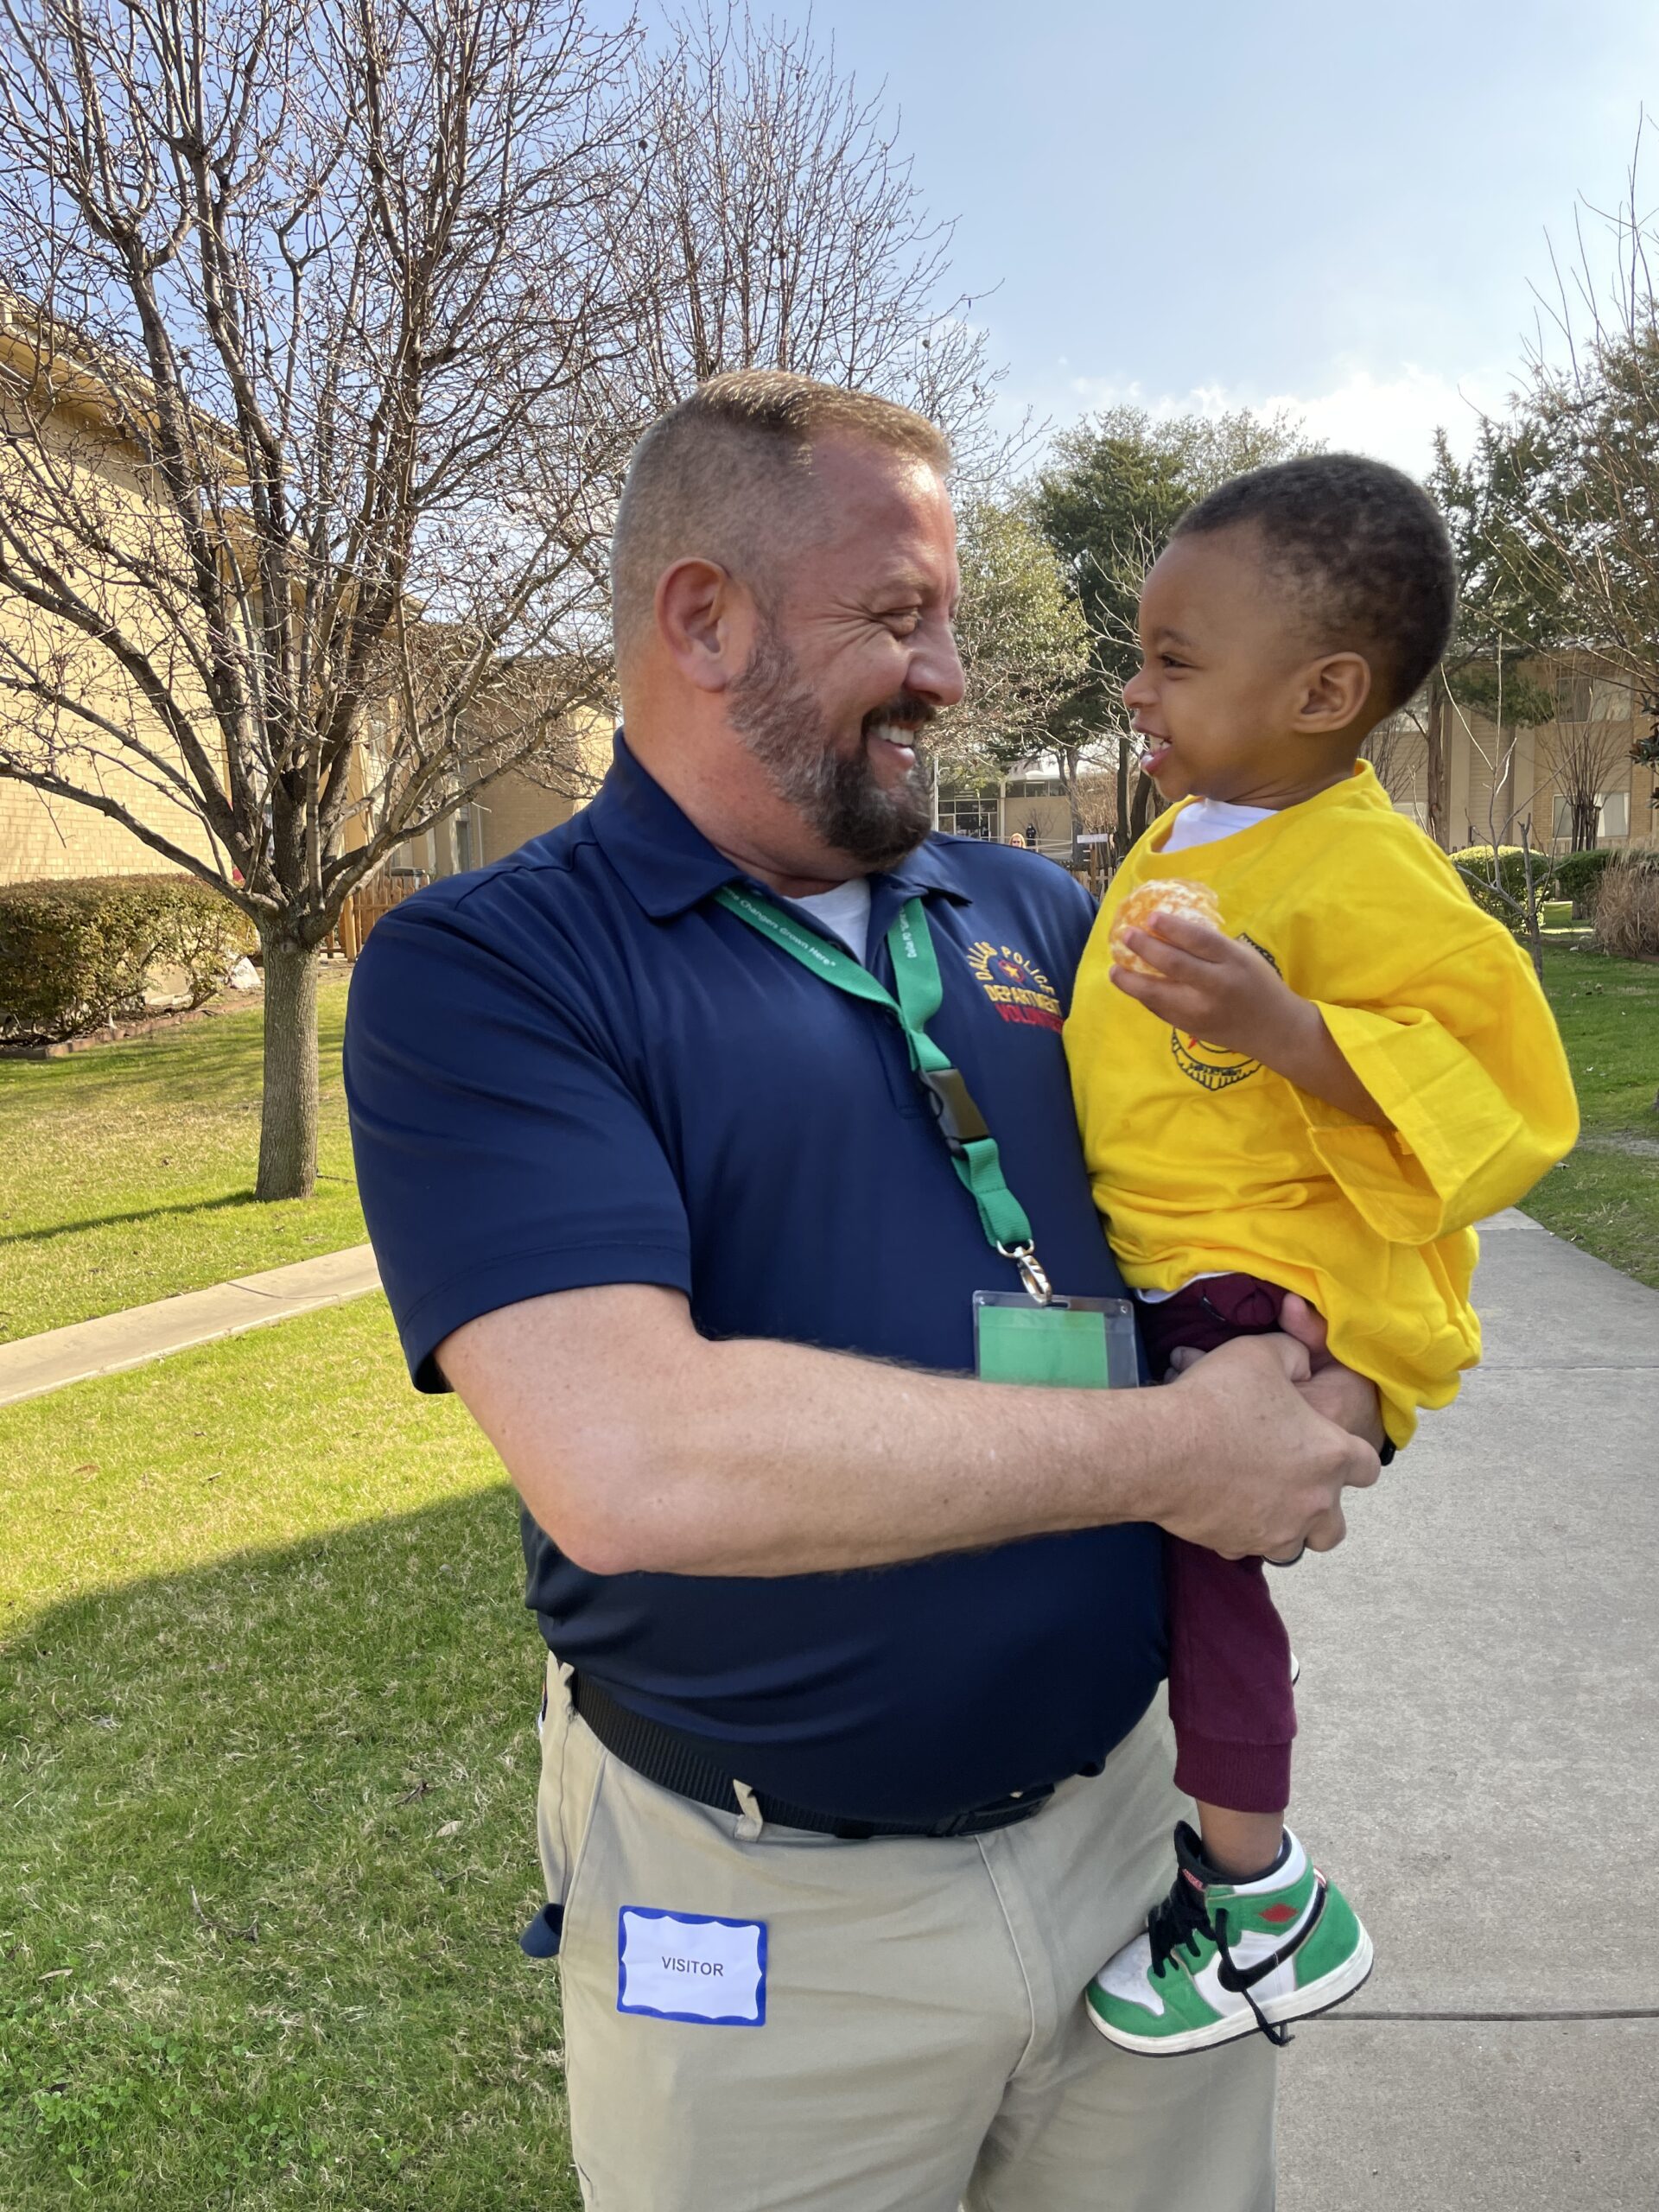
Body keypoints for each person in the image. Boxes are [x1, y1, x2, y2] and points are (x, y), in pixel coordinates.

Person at [343, 373, 1383, 2212]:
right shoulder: (494, 968)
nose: (955, 675)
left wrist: (1315, 1372)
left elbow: (1246, 1204)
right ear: (702, 615)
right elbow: (634, 1457)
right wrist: (1168, 1452)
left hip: (1134, 1855)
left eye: (951, 618)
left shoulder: (1041, 912)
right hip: (760, 1916)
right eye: (899, 616)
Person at [1065, 454, 1579, 2058]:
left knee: (1208, 1572)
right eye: (1139, 652)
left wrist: (1288, 1031)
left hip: (1258, 1291)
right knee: (1119, 1543)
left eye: (1172, 659)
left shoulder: (1369, 868)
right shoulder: (1190, 831)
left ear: (1325, 692)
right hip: (1153, 1266)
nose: (1133, 688)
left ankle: (1264, 1894)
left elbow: (1507, 1095)